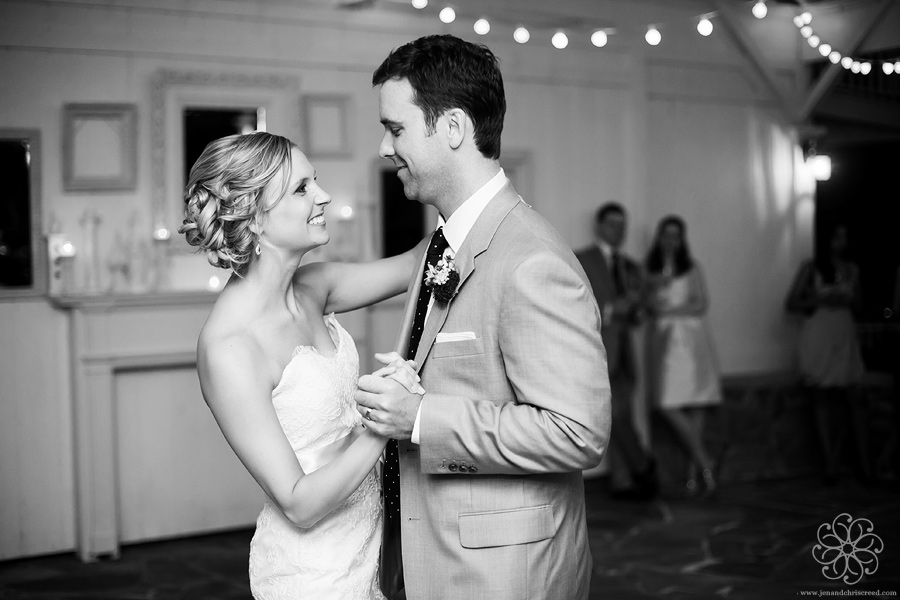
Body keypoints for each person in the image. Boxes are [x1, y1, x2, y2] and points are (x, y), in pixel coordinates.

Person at [353, 35, 610, 600]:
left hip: (504, 577)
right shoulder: (445, 244)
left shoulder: (532, 261)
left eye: (395, 128)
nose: (383, 147)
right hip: (437, 560)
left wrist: (420, 418)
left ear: (452, 128)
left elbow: (579, 434)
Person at [179, 131, 429, 599]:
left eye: (316, 181)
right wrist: (384, 420)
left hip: (374, 549)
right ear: (253, 216)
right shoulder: (229, 346)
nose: (324, 196)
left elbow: (418, 263)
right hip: (313, 576)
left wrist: (452, 182)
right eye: (302, 188)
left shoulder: (316, 287)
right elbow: (296, 503)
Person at [575, 203, 659, 501]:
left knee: (622, 413)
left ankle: (624, 481)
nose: (619, 231)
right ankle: (642, 466)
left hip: (626, 350)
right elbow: (574, 303)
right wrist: (611, 310)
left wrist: (637, 308)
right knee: (615, 414)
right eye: (613, 224)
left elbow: (639, 312)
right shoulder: (581, 259)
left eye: (623, 225)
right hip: (598, 350)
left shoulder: (630, 265)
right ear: (599, 226)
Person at [786, 223, 871, 485]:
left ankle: (866, 466)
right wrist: (819, 300)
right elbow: (791, 303)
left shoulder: (851, 269)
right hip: (819, 329)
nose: (840, 242)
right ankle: (829, 464)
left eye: (844, 237)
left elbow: (860, 304)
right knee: (820, 396)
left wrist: (847, 299)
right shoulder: (811, 267)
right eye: (836, 237)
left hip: (843, 330)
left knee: (852, 395)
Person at [644, 215, 721, 496]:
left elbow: (701, 303)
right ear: (659, 237)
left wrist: (671, 312)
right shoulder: (649, 268)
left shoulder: (692, 267)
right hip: (665, 341)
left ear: (682, 238)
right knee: (667, 403)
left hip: (691, 338)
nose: (671, 240)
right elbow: (648, 305)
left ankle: (694, 472)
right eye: (666, 234)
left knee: (696, 402)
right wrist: (655, 291)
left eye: (676, 235)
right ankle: (705, 460)